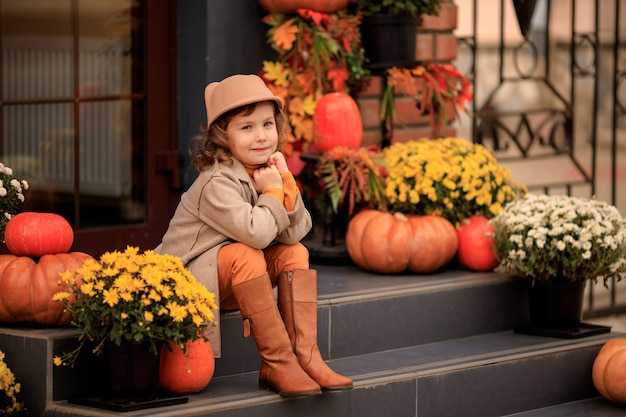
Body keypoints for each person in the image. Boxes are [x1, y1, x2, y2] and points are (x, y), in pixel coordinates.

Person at [155, 74, 353, 397]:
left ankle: (306, 356)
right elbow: (257, 234)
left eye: (267, 125)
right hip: (189, 282)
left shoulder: (264, 171)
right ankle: (278, 362)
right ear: (222, 136)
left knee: (295, 253)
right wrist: (273, 191)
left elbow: (297, 231)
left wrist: (285, 179)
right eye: (246, 128)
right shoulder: (216, 183)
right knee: (245, 252)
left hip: (232, 280)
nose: (261, 136)